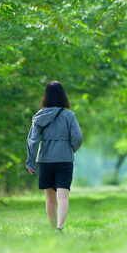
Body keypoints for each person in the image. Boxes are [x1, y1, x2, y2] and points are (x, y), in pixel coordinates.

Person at [25, 81, 83, 232]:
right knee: (63, 196)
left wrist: (30, 161)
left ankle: (52, 230)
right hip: (64, 159)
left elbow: (32, 140)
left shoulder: (39, 116)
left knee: (50, 198)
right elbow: (77, 137)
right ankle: (59, 227)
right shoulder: (69, 115)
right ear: (63, 96)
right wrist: (70, 149)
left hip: (45, 160)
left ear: (46, 96)